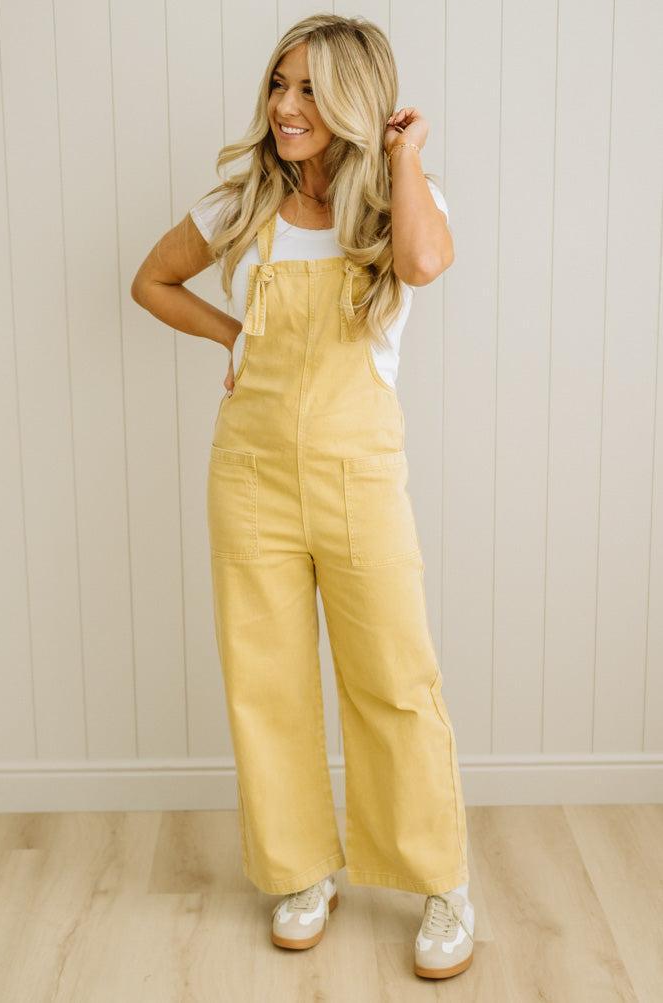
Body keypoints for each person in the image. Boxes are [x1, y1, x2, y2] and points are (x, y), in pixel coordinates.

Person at [131, 13, 474, 982]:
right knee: (266, 680)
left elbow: (423, 263)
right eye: (280, 85)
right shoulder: (242, 201)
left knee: (394, 678)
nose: (286, 106)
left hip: (360, 474)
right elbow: (151, 280)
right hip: (249, 477)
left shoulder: (400, 204)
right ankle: (299, 870)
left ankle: (444, 878)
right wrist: (231, 333)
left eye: (313, 89)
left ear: (357, 101)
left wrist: (404, 154)